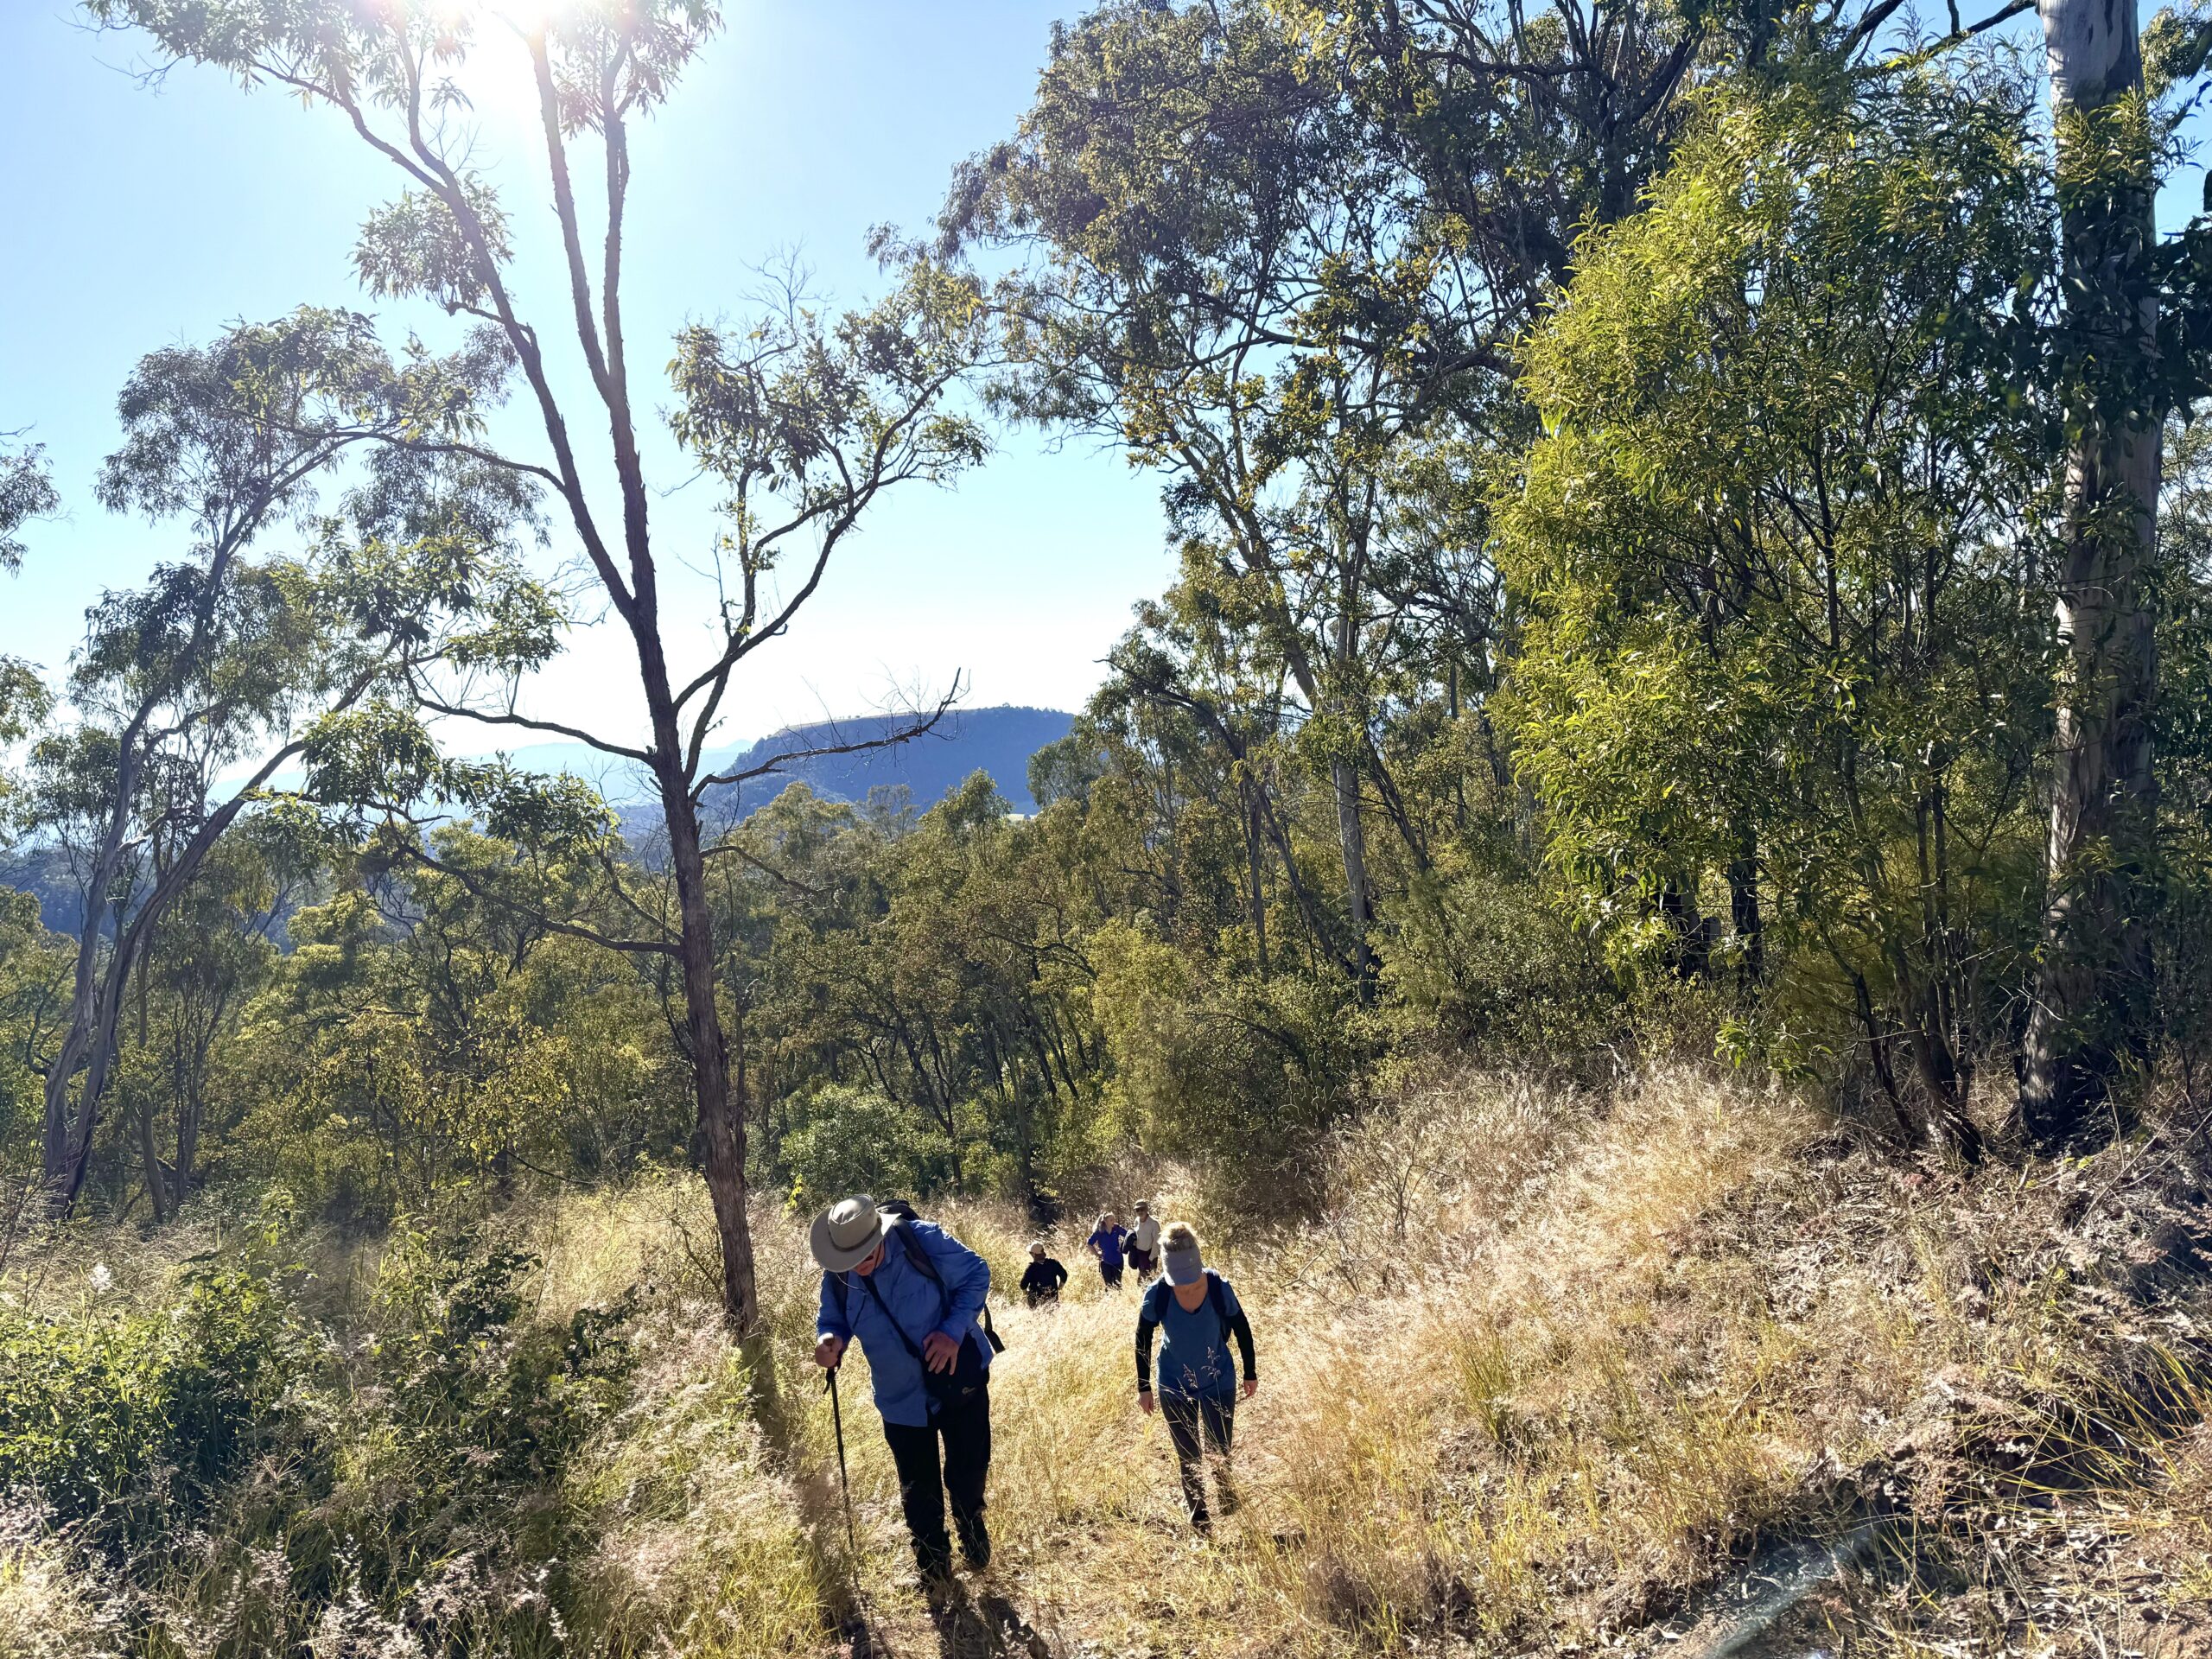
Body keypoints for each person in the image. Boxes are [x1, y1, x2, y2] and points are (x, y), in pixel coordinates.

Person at [811, 1194, 995, 1583]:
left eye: (862, 1255)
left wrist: (951, 1331)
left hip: (959, 1379)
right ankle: (934, 1568)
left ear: (878, 1237)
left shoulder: (921, 1241)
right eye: (847, 1260)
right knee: (917, 1487)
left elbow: (977, 1273)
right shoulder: (840, 1272)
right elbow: (832, 1317)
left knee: (968, 1469)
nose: (854, 1267)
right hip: (900, 1400)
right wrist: (830, 1340)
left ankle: (971, 1525)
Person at [1135, 1222, 1256, 1534]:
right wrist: (1144, 1387)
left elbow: (1241, 1327)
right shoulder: (1158, 1293)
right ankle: (1200, 1519)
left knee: (1219, 1449)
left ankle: (1228, 1501)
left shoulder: (1218, 1286)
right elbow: (1143, 1336)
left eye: (1190, 1280)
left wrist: (1250, 1372)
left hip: (1219, 1380)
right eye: (1180, 1282)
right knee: (1188, 1455)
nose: (1186, 1287)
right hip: (1174, 1384)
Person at [1085, 1211, 1130, 1290]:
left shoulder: (1117, 1228)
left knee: (1118, 1286)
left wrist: (1122, 1247)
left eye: (1114, 1219)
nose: (1114, 1221)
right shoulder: (1099, 1232)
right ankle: (1109, 1301)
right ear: (1105, 1221)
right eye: (1111, 1220)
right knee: (1108, 1286)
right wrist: (1097, 1254)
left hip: (1118, 1261)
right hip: (1106, 1262)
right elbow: (1089, 1244)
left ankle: (1118, 1301)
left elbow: (1129, 1236)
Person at [1020, 1241, 1069, 1307]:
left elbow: (1023, 1284)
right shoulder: (1054, 1263)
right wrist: (1059, 1288)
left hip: (1035, 1302)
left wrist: (1025, 1294)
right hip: (1053, 1299)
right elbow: (1064, 1275)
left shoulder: (1031, 1268)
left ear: (1034, 1254)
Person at [1126, 1200, 1162, 1279]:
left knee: (1150, 1279)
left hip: (1150, 1255)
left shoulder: (1154, 1223)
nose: (1140, 1212)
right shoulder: (1137, 1221)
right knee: (1142, 1278)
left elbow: (1157, 1242)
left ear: (1147, 1209)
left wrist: (1152, 1258)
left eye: (1142, 1209)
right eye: (1137, 1210)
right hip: (1140, 1255)